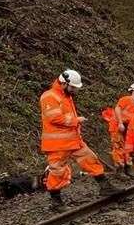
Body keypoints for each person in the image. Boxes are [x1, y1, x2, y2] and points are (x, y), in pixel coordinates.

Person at [40, 69, 115, 207]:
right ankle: (56, 202)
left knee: (90, 159)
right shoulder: (50, 96)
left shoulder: (65, 96)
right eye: (73, 87)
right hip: (57, 144)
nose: (75, 90)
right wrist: (76, 120)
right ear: (64, 83)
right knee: (57, 171)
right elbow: (54, 118)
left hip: (73, 140)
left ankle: (106, 187)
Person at [104, 82, 134, 174]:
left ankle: (127, 168)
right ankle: (120, 169)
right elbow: (117, 109)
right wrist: (120, 123)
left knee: (128, 148)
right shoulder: (126, 99)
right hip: (117, 126)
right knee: (118, 147)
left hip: (126, 128)